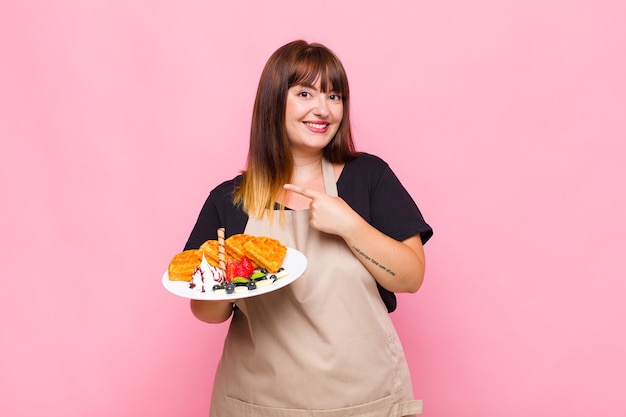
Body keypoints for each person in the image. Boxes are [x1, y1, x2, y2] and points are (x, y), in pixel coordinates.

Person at [183, 40, 433, 417]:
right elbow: (207, 313)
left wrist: (351, 226)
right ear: (273, 103)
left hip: (364, 402)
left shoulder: (369, 177)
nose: (324, 109)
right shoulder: (230, 200)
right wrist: (225, 278)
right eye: (305, 93)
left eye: (335, 96)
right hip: (259, 404)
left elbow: (410, 276)